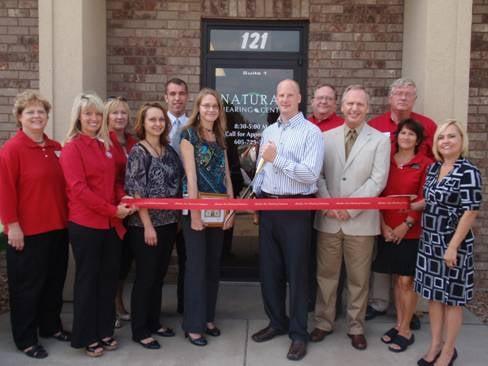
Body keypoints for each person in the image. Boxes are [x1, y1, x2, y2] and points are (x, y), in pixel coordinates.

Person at [311, 85, 390, 351]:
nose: (354, 108)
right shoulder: (325, 137)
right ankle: (323, 322)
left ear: (367, 107)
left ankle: (356, 326)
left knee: (358, 279)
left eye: (359, 104)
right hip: (329, 219)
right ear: (341, 107)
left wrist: (350, 207)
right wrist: (329, 205)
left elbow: (377, 180)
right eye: (349, 104)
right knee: (326, 276)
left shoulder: (380, 140)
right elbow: (317, 176)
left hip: (361, 222)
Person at [251, 79, 324, 361]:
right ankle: (277, 322)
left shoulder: (311, 133)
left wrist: (277, 159)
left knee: (297, 274)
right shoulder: (269, 130)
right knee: (270, 271)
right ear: (276, 98)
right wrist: (255, 195)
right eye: (280, 95)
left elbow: (309, 175)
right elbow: (261, 167)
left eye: (289, 95)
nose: (284, 99)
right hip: (269, 206)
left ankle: (298, 333)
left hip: (296, 210)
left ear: (299, 98)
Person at [60, 93, 133, 357]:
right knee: (88, 282)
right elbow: (78, 190)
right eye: (88, 114)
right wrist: (113, 209)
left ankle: (105, 331)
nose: (93, 118)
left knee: (108, 280)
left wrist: (123, 197)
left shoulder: (105, 146)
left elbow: (112, 182)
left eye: (97, 114)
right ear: (78, 117)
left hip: (111, 224)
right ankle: (87, 336)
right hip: (87, 224)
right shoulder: (71, 148)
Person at [0, 91, 70, 359]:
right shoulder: (11, 150)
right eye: (30, 112)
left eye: (41, 111)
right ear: (20, 117)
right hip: (28, 232)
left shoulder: (55, 148)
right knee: (27, 288)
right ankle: (26, 338)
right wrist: (12, 226)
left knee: (54, 282)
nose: (37, 116)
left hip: (57, 227)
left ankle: (51, 327)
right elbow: (5, 191)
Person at [367, 78, 437, 327]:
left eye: (408, 94)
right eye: (398, 93)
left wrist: (407, 223)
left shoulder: (428, 126)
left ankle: (406, 316)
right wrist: (383, 222)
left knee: (406, 276)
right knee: (385, 268)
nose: (403, 97)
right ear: (389, 97)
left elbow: (429, 182)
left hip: (411, 220)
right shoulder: (375, 126)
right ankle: (380, 305)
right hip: (384, 217)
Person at [415, 120, 482, 366]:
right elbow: (431, 201)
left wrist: (453, 246)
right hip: (429, 242)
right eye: (442, 137)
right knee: (434, 297)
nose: (446, 141)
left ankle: (449, 350)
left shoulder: (468, 171)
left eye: (451, 136)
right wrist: (412, 205)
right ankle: (435, 344)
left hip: (454, 245)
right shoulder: (434, 169)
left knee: (452, 301)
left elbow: (470, 211)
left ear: (461, 141)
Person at [125, 102, 183, 350]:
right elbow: (136, 191)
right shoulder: (139, 152)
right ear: (143, 123)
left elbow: (177, 184)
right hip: (145, 226)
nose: (157, 124)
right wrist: (148, 225)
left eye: (161, 120)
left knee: (158, 276)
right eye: (152, 120)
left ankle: (154, 321)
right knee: (146, 277)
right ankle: (140, 330)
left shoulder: (169, 151)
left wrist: (177, 218)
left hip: (169, 223)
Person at [371, 119, 433, 353]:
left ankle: (406, 329)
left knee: (407, 281)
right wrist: (384, 225)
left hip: (410, 231)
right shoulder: (387, 161)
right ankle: (399, 324)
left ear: (418, 139)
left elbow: (423, 198)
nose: (406, 137)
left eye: (411, 134)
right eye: (403, 133)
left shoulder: (425, 164)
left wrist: (405, 225)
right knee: (397, 280)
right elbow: (378, 194)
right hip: (386, 228)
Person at [180, 88, 234, 346]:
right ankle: (193, 325)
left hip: (219, 207)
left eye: (215, 106)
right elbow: (191, 175)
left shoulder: (221, 136)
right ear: (198, 108)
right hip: (196, 207)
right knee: (196, 268)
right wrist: (194, 213)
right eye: (206, 105)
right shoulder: (188, 134)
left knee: (213, 266)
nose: (211, 110)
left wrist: (231, 208)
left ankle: (208, 318)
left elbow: (226, 175)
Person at [308, 84, 345, 313]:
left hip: (332, 203)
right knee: (309, 256)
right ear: (312, 100)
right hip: (305, 203)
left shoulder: (342, 127)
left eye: (328, 99)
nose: (323, 102)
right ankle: (311, 301)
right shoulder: (303, 125)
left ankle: (332, 305)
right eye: (319, 98)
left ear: (335, 103)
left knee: (332, 261)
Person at [104, 96, 137, 325]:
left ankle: (118, 304)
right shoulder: (104, 142)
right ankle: (110, 308)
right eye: (115, 113)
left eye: (123, 113)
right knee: (111, 263)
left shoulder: (133, 142)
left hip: (132, 211)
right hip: (112, 211)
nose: (119, 117)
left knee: (125, 262)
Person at [164, 78, 189, 314]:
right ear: (166, 97)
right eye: (172, 93)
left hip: (186, 202)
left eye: (181, 93)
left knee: (187, 261)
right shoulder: (157, 125)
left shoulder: (192, 126)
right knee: (157, 262)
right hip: (160, 206)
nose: (177, 98)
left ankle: (185, 308)